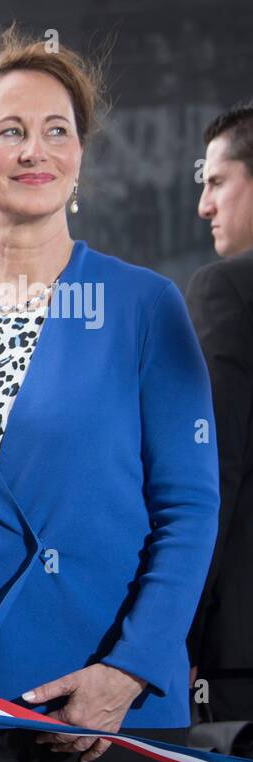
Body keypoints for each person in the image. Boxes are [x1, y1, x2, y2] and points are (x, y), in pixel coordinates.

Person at [0, 27, 219, 762]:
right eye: (12, 130)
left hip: (113, 708)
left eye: (58, 130)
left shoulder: (142, 304)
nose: (38, 150)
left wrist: (126, 671)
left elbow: (190, 506)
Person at [189, 101, 253, 722]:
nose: (205, 205)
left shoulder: (228, 288)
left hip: (238, 661)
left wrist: (174, 631)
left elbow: (213, 472)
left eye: (215, 181)